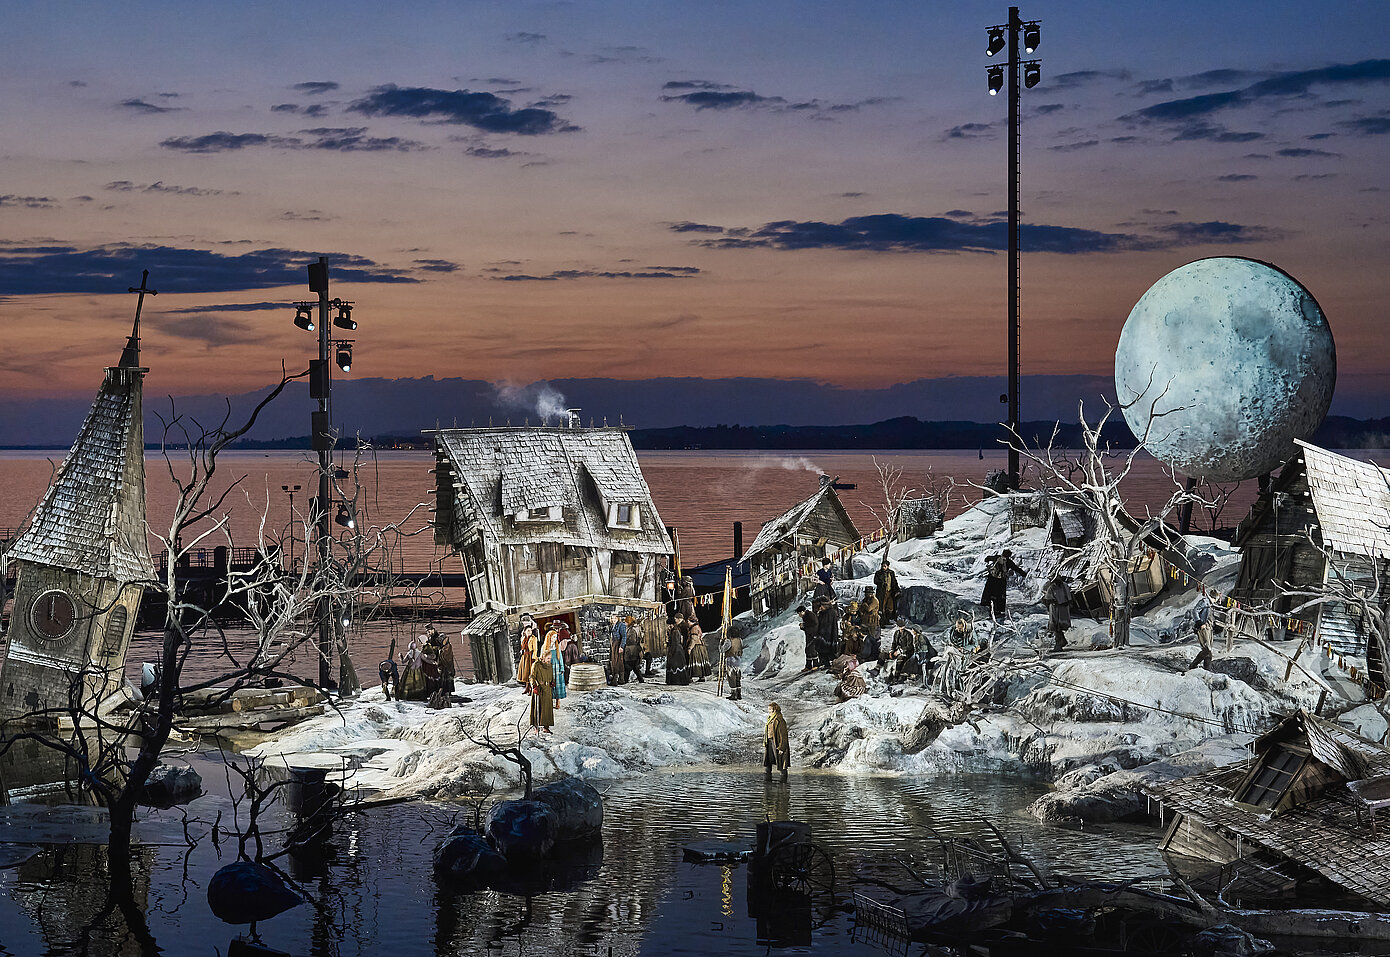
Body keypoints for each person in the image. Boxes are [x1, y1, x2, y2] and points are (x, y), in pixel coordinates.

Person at [981, 549, 1025, 619]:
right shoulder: (1009, 562)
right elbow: (1016, 568)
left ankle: (989, 607)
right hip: (1001, 581)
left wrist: (987, 560)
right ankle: (998, 611)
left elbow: (987, 558)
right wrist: (1023, 574)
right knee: (999, 596)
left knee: (990, 594)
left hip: (992, 579)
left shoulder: (996, 557)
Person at [529, 632, 556, 733]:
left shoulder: (549, 665)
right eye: (548, 658)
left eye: (550, 659)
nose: (549, 660)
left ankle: (546, 727)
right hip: (539, 689)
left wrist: (553, 682)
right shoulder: (537, 664)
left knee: (547, 709)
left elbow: (551, 675)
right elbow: (531, 676)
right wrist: (534, 686)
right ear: (543, 657)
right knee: (538, 708)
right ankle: (536, 727)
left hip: (547, 689)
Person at [1043, 576, 1074, 652]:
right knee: (1056, 627)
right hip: (1055, 608)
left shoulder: (1064, 586)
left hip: (1063, 609)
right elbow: (1047, 599)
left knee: (1059, 626)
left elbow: (1069, 598)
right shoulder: (1051, 587)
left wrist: (1066, 603)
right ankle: (1060, 643)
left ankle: (1059, 643)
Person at [1188, 593, 1215, 671]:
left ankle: (1205, 667)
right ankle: (1196, 665)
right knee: (1207, 648)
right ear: (1214, 598)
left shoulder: (1210, 604)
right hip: (1203, 628)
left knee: (1208, 648)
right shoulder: (1204, 601)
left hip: (1209, 628)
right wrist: (1199, 623)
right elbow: (1195, 611)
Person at [764, 702, 790, 780]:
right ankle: (767, 781)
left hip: (777, 743)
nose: (768, 711)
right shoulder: (770, 719)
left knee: (781, 763)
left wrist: (782, 748)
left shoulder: (779, 720)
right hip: (770, 742)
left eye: (770, 709)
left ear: (774, 710)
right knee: (768, 761)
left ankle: (784, 784)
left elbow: (783, 735)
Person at [874, 558, 902, 624]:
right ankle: (882, 622)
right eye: (882, 566)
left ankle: (888, 620)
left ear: (888, 566)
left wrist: (897, 590)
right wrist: (882, 583)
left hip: (890, 592)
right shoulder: (878, 573)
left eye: (885, 566)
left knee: (890, 607)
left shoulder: (891, 573)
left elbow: (894, 582)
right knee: (882, 607)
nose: (883, 567)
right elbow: (875, 581)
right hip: (882, 593)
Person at [859, 587, 882, 663]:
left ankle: (873, 656)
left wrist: (864, 605)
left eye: (869, 593)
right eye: (866, 593)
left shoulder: (874, 600)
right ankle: (866, 655)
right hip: (866, 622)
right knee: (866, 638)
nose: (867, 594)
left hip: (873, 623)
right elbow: (861, 609)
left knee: (873, 639)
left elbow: (869, 609)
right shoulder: (866, 600)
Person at [666, 614, 690, 685]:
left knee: (675, 665)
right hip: (676, 649)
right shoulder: (674, 630)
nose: (668, 626)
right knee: (675, 666)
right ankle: (676, 681)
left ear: (672, 625)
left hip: (676, 651)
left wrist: (671, 652)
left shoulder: (675, 631)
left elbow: (675, 642)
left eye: (669, 625)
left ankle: (677, 681)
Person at [546, 625, 568, 701]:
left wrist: (562, 667)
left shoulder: (557, 646)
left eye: (555, 637)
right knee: (550, 683)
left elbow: (560, 657)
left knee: (557, 683)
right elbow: (543, 657)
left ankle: (558, 700)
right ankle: (550, 698)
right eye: (553, 637)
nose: (554, 639)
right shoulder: (546, 647)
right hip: (549, 666)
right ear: (549, 637)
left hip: (557, 666)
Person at [622, 615, 645, 683]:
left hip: (631, 650)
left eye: (626, 622)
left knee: (628, 666)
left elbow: (632, 640)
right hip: (634, 650)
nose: (625, 623)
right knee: (635, 667)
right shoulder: (635, 628)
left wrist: (624, 640)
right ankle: (640, 679)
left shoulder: (632, 630)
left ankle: (625, 680)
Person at [797, 604, 821, 670]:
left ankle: (816, 665)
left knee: (812, 650)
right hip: (809, 635)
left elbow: (815, 624)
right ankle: (808, 666)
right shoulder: (805, 616)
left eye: (800, 613)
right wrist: (803, 627)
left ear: (803, 611)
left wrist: (804, 625)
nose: (799, 614)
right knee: (808, 650)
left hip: (813, 635)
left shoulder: (810, 615)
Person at [609, 614, 628, 684]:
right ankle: (620, 679)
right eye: (612, 618)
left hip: (618, 644)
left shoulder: (621, 625)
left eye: (615, 618)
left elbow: (624, 637)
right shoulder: (613, 626)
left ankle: (617, 679)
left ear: (618, 619)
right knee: (615, 661)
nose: (613, 620)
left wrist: (621, 646)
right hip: (614, 644)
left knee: (618, 661)